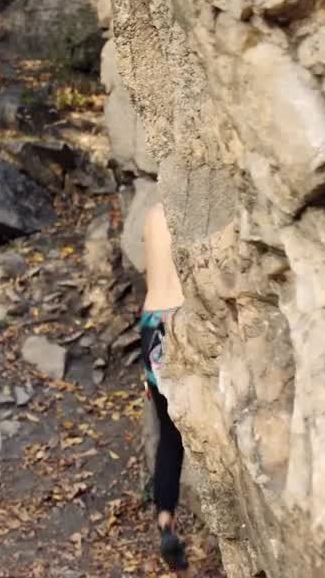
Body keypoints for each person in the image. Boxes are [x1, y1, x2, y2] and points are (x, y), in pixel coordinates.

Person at [138, 200, 188, 570]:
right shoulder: (190, 205)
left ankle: (165, 519)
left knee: (169, 436)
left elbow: (150, 278)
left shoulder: (151, 216)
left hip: (150, 323)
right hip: (182, 318)